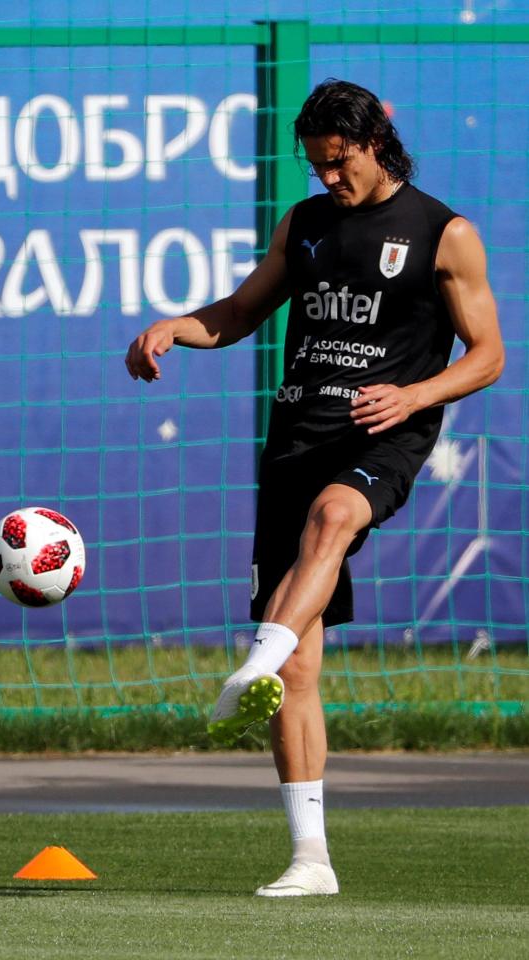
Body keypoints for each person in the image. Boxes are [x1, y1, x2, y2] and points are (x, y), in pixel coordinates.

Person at [125, 79, 504, 897]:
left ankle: (260, 652)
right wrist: (176, 329)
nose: (328, 178)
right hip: (297, 438)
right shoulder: (304, 223)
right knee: (303, 673)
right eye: (317, 165)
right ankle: (311, 860)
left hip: (386, 433)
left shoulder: (446, 234)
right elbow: (239, 311)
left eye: (338, 163)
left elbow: (489, 354)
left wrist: (414, 394)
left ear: (372, 144)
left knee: (336, 515)